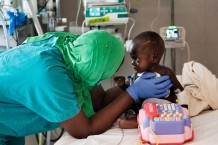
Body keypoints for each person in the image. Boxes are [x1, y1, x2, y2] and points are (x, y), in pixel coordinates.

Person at [0, 30, 172, 145]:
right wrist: (133, 93)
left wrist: (131, 84)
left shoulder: (81, 55)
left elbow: (99, 101)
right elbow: (84, 129)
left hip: (10, 125)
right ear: (99, 68)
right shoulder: (50, 76)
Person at [115, 31, 184, 129]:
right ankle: (134, 118)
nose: (132, 62)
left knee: (149, 104)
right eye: (132, 58)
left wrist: (184, 106)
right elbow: (132, 93)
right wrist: (123, 86)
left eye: (136, 59)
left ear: (154, 57)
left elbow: (179, 89)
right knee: (127, 105)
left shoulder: (166, 72)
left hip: (164, 108)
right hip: (142, 107)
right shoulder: (138, 76)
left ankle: (137, 121)